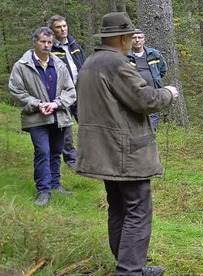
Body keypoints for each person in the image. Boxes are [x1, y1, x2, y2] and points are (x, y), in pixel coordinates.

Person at [75, 12, 179, 275]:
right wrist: (168, 93)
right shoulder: (115, 64)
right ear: (123, 38)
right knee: (137, 211)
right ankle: (130, 271)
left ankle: (131, 266)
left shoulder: (91, 62)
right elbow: (145, 99)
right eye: (131, 36)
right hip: (125, 153)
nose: (133, 41)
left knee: (119, 208)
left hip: (104, 151)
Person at [8, 27, 76, 206]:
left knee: (55, 153)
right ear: (34, 42)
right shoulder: (22, 66)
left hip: (59, 117)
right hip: (37, 118)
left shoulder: (59, 64)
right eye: (43, 42)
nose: (46, 46)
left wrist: (57, 103)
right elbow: (16, 90)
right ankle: (43, 190)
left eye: (49, 42)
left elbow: (71, 90)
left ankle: (55, 185)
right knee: (42, 152)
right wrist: (37, 104)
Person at [48, 15, 85, 168]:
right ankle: (72, 161)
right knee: (66, 128)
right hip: (62, 94)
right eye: (58, 27)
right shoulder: (50, 48)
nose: (63, 29)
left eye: (64, 26)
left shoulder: (74, 45)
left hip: (81, 91)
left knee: (88, 124)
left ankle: (91, 156)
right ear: (52, 30)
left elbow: (84, 64)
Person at [129, 29, 168, 131]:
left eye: (140, 38)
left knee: (152, 125)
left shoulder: (154, 54)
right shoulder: (126, 56)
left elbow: (163, 69)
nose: (137, 40)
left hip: (153, 94)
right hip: (134, 95)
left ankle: (150, 140)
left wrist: (155, 80)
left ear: (144, 40)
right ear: (130, 40)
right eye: (134, 38)